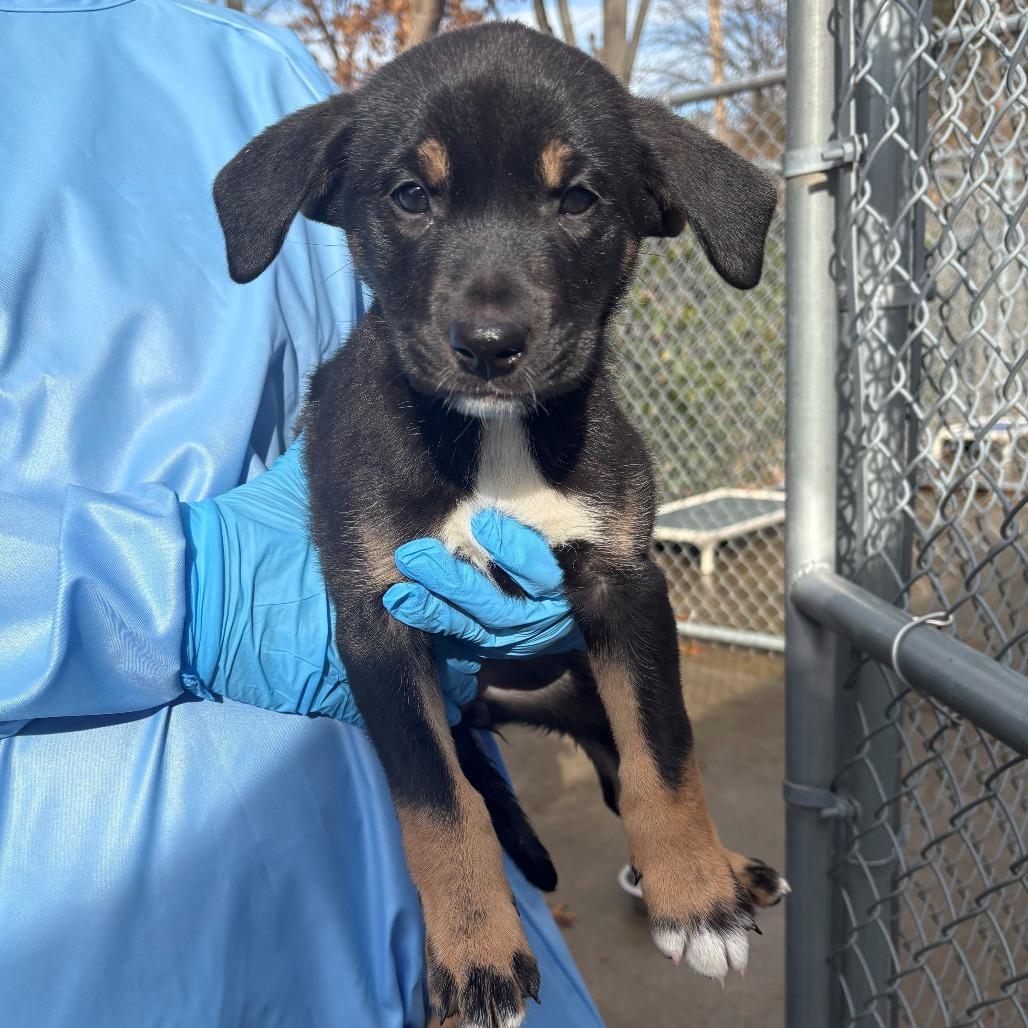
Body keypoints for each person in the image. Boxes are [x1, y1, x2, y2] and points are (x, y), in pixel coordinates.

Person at [0, 0, 603, 1024]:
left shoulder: (251, 70)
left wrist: (474, 637)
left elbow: (392, 389)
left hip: (374, 918)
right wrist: (182, 587)